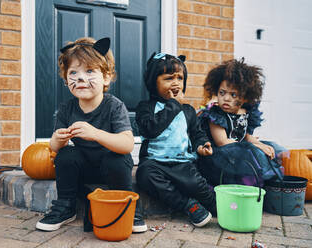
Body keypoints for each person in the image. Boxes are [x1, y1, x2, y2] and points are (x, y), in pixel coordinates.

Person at [36, 37, 147, 233]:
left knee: (117, 158)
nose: (80, 78)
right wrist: (58, 140)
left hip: (111, 167)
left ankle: (128, 206)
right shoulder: (67, 109)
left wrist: (96, 134)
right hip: (83, 169)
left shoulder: (114, 106)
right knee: (65, 156)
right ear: (65, 79)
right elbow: (53, 148)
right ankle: (65, 206)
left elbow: (128, 144)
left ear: (105, 77)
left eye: (89, 71)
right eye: (73, 72)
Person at [135, 52, 216, 227]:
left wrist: (201, 145)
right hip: (154, 162)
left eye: (180, 78)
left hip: (182, 162)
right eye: (169, 78)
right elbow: (150, 129)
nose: (176, 83)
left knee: (195, 183)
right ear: (153, 82)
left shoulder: (188, 110)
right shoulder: (145, 108)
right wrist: (173, 105)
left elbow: (196, 133)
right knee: (144, 175)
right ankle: (188, 205)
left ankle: (220, 206)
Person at [198, 58, 286, 187]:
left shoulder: (245, 111)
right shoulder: (215, 115)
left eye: (233, 95)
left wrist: (259, 144)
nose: (226, 98)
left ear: (245, 97)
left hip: (240, 151)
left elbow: (246, 135)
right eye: (222, 93)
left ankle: (258, 190)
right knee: (250, 154)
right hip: (221, 155)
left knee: (264, 151)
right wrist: (251, 147)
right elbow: (221, 142)